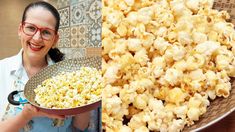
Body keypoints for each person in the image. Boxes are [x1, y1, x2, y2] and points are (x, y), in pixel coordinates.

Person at [0, 1, 90, 132]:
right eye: (31, 28)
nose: (37, 38)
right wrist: (26, 115)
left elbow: (79, 127)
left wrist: (85, 98)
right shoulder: (2, 70)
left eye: (46, 32)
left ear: (55, 39)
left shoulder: (68, 76)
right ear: (20, 30)